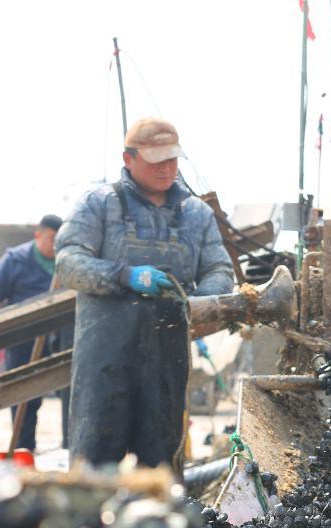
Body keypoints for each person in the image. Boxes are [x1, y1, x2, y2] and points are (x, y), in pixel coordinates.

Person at [55, 117, 233, 470]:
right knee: (94, 461)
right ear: (128, 158)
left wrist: (197, 304)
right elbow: (68, 263)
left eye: (172, 159)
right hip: (104, 361)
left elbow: (220, 270)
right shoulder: (99, 203)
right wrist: (124, 276)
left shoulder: (196, 213)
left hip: (167, 358)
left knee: (161, 463)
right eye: (155, 160)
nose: (166, 168)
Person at [0, 214, 64, 451]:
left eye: (60, 240)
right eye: (52, 239)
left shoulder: (68, 260)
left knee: (69, 394)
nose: (56, 245)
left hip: (61, 338)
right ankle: (23, 450)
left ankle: (71, 450)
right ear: (38, 235)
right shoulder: (15, 260)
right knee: (24, 397)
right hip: (23, 341)